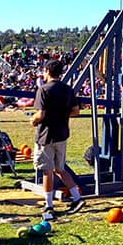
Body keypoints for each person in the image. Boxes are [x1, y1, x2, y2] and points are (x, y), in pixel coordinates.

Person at [31, 59, 84, 221]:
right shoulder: (67, 89)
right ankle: (77, 198)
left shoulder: (43, 89)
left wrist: (32, 120)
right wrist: (61, 115)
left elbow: (41, 115)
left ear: (47, 71)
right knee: (60, 169)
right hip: (62, 133)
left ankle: (48, 204)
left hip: (45, 136)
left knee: (47, 170)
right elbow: (76, 111)